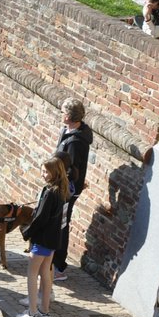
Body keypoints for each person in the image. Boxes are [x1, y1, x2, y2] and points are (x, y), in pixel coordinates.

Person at [20, 158, 71, 317]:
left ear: (55, 172)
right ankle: (44, 310)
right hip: (53, 240)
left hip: (42, 239)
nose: (43, 174)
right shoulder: (62, 190)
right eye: (42, 170)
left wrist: (27, 232)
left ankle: (32, 312)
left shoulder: (50, 192)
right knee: (46, 275)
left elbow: (41, 218)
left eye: (46, 172)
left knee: (32, 274)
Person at [52, 98, 93, 281]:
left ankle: (59, 266)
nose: (61, 115)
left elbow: (72, 169)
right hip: (60, 186)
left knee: (60, 225)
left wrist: (62, 185)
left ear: (68, 116)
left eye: (63, 112)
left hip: (66, 190)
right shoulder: (67, 132)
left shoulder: (76, 141)